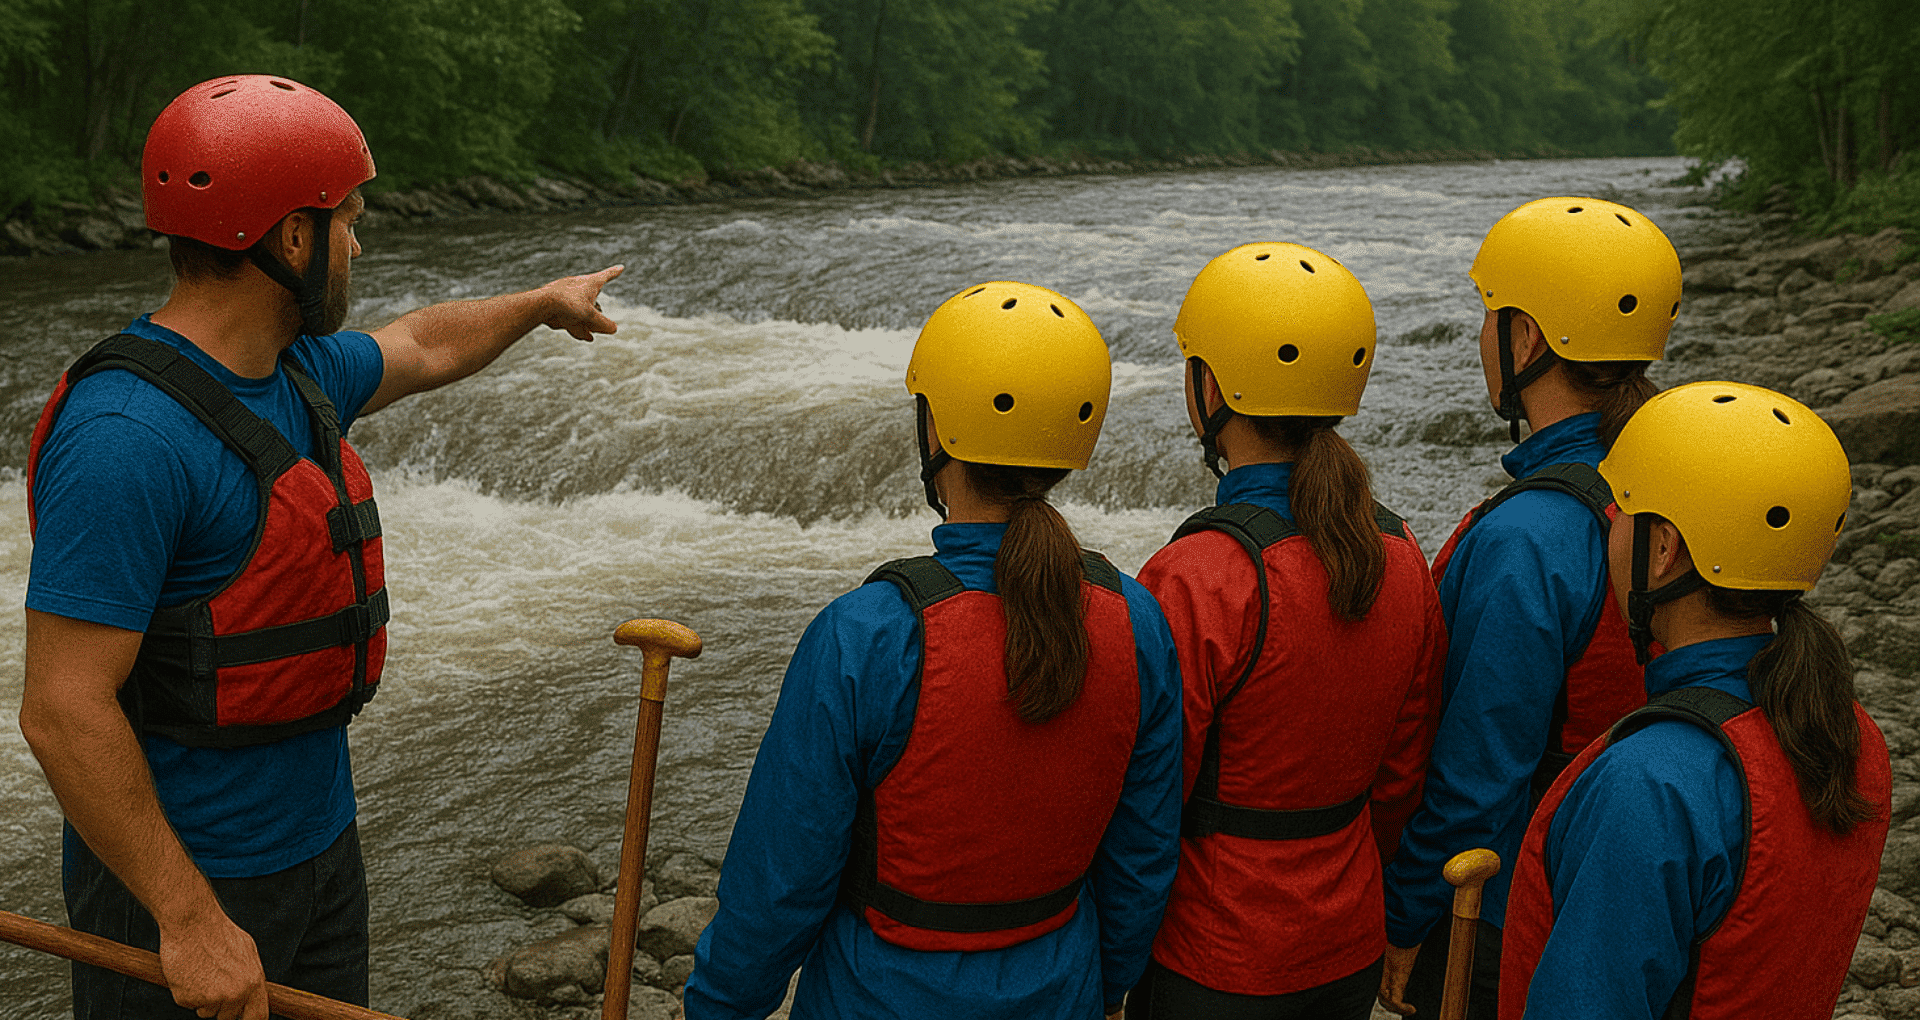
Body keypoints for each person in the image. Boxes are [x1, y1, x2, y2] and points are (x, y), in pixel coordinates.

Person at [18, 73, 622, 1020]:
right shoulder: (125, 438)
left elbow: (422, 345)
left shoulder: (292, 372)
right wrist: (190, 921)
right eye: (349, 220)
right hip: (184, 889)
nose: (358, 240)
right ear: (290, 238)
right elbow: (61, 710)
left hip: (318, 855)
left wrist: (542, 303)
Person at [682, 281, 1183, 1020]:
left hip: (878, 997)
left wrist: (720, 1007)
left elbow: (781, 881)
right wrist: (1107, 987)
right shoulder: (1137, 617)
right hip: (1062, 989)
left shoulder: (867, 633)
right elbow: (1141, 857)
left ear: (935, 431)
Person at [1379, 197, 1684, 1019]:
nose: (1483, 338)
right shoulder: (1684, 487)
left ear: (1529, 339)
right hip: (1641, 892)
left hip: (1517, 910)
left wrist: (1405, 920)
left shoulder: (1528, 537)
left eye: (1490, 317)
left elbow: (1478, 775)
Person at [1499, 381, 1892, 1018]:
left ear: (1664, 549)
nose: (1609, 530)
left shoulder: (1651, 781)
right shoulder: (1847, 729)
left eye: (1621, 510)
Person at [1126, 243, 1448, 1019]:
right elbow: (1402, 778)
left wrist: (1110, 968)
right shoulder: (1403, 553)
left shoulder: (1196, 574)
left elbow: (1147, 803)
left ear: (1210, 387)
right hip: (1344, 948)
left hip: (1213, 958)